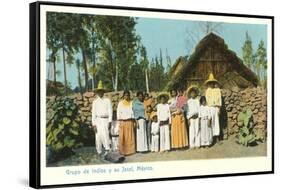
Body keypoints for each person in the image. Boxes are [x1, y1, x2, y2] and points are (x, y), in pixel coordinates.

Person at [91, 81, 112, 156]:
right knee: (98, 136)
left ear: (103, 92)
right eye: (98, 91)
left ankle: (107, 149)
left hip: (105, 120)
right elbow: (93, 113)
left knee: (105, 135)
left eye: (101, 91)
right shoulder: (95, 102)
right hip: (98, 120)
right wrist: (94, 124)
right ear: (97, 92)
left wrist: (110, 121)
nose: (100, 93)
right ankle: (99, 151)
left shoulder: (107, 100)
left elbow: (110, 111)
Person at [117, 90, 136, 155]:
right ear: (123, 96)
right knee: (123, 136)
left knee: (129, 136)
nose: (126, 96)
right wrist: (119, 121)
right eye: (125, 95)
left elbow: (133, 112)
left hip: (129, 121)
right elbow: (118, 112)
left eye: (128, 95)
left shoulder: (131, 103)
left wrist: (133, 120)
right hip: (122, 121)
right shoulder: (120, 103)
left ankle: (130, 151)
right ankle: (123, 151)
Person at [205, 73, 222, 144]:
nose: (211, 84)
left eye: (213, 83)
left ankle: (217, 137)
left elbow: (219, 100)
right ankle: (211, 138)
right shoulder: (207, 90)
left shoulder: (217, 90)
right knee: (211, 122)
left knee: (216, 122)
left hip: (216, 107)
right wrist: (208, 109)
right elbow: (207, 100)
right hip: (210, 107)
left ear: (214, 83)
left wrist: (219, 108)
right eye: (210, 83)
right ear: (209, 83)